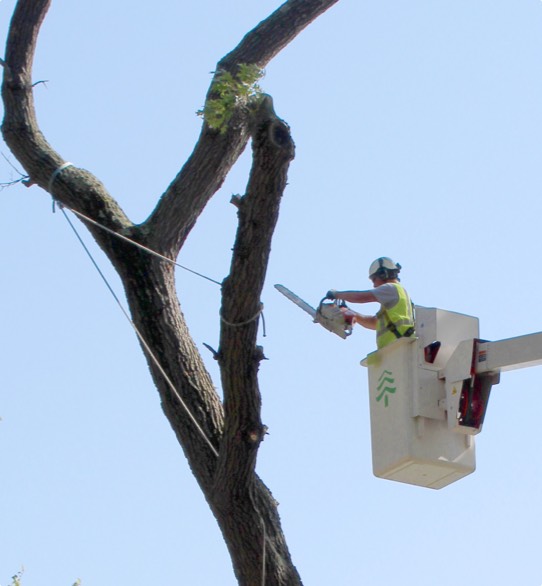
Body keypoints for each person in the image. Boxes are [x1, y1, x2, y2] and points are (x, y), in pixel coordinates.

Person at [326, 257, 415, 349]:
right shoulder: (397, 294)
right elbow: (373, 323)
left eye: (374, 280)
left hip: (398, 347)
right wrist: (352, 313)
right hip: (397, 348)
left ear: (383, 274)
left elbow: (361, 297)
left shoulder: (391, 288)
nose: (374, 285)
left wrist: (337, 294)